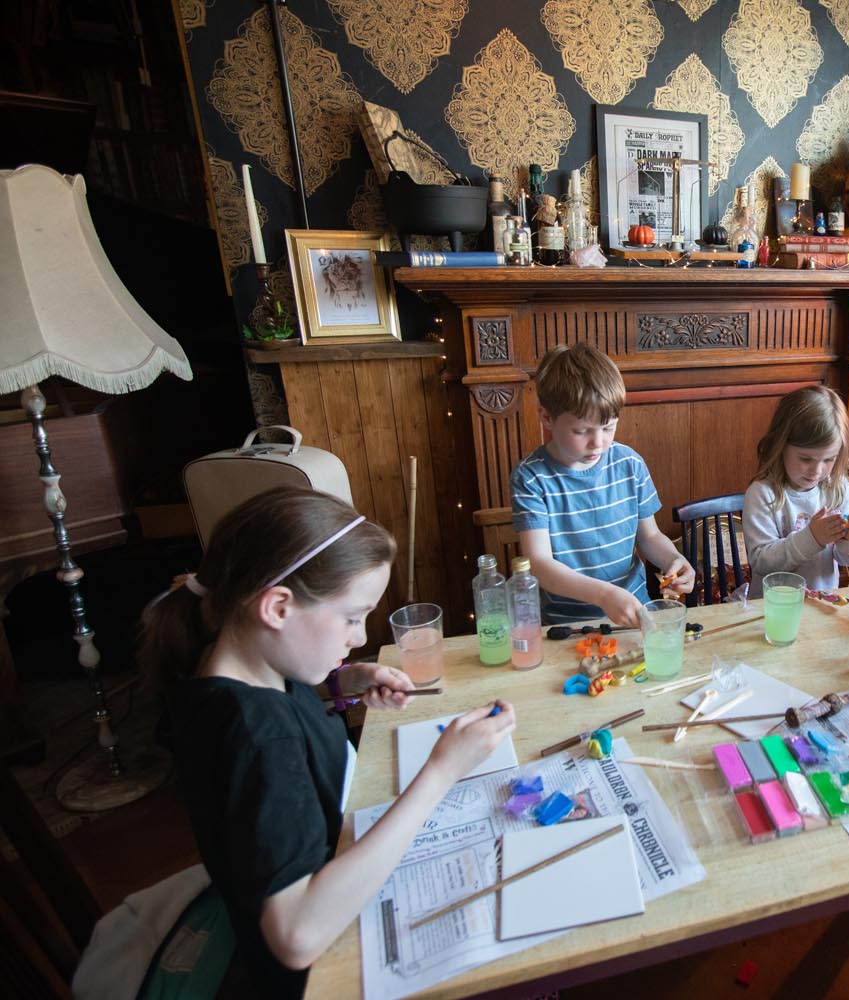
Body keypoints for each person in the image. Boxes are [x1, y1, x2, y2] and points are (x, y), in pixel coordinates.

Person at [142, 488, 517, 996]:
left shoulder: (231, 666)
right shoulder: (257, 738)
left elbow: (276, 713)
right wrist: (442, 772)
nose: (359, 636)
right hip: (319, 973)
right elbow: (296, 936)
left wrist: (339, 686)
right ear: (277, 606)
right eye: (350, 616)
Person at [510, 342, 693, 625]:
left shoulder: (629, 464)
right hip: (565, 624)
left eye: (608, 427)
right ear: (547, 418)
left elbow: (650, 537)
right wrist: (604, 595)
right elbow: (539, 564)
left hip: (635, 612)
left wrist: (674, 560)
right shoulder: (531, 477)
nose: (599, 442)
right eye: (581, 431)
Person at [742, 385, 849, 597]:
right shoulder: (762, 493)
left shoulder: (837, 487)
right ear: (780, 446)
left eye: (829, 459)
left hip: (821, 605)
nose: (816, 471)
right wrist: (812, 538)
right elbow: (762, 562)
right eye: (805, 459)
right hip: (771, 610)